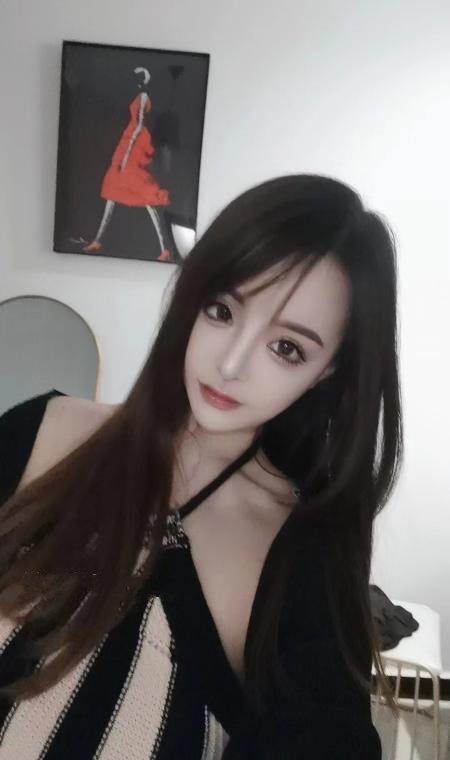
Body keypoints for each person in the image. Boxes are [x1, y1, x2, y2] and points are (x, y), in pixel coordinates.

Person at [0, 174, 402, 759]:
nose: (231, 364)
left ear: (329, 370)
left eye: (287, 347)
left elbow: (325, 729)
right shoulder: (42, 430)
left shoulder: (299, 551)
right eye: (222, 310)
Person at [82, 66, 178, 263]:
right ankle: (97, 240)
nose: (138, 82)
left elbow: (140, 123)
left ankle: (165, 248)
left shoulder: (143, 96)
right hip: (130, 139)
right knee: (112, 194)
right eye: (138, 78)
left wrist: (126, 155)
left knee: (147, 198)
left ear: (146, 80)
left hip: (135, 142)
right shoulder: (139, 95)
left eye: (141, 78)